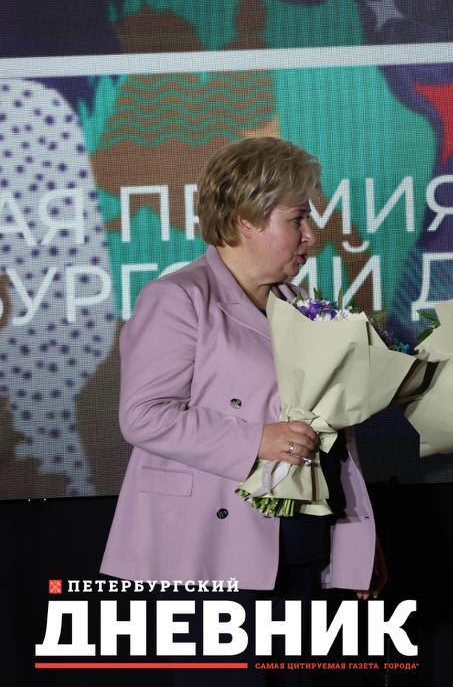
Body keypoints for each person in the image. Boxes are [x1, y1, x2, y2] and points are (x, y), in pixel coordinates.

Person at [101, 138, 387, 668]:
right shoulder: (179, 298)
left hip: (304, 551)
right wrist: (256, 439)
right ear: (245, 221)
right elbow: (142, 416)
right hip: (207, 558)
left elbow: (334, 442)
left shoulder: (302, 305)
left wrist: (356, 547)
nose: (311, 235)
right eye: (297, 219)